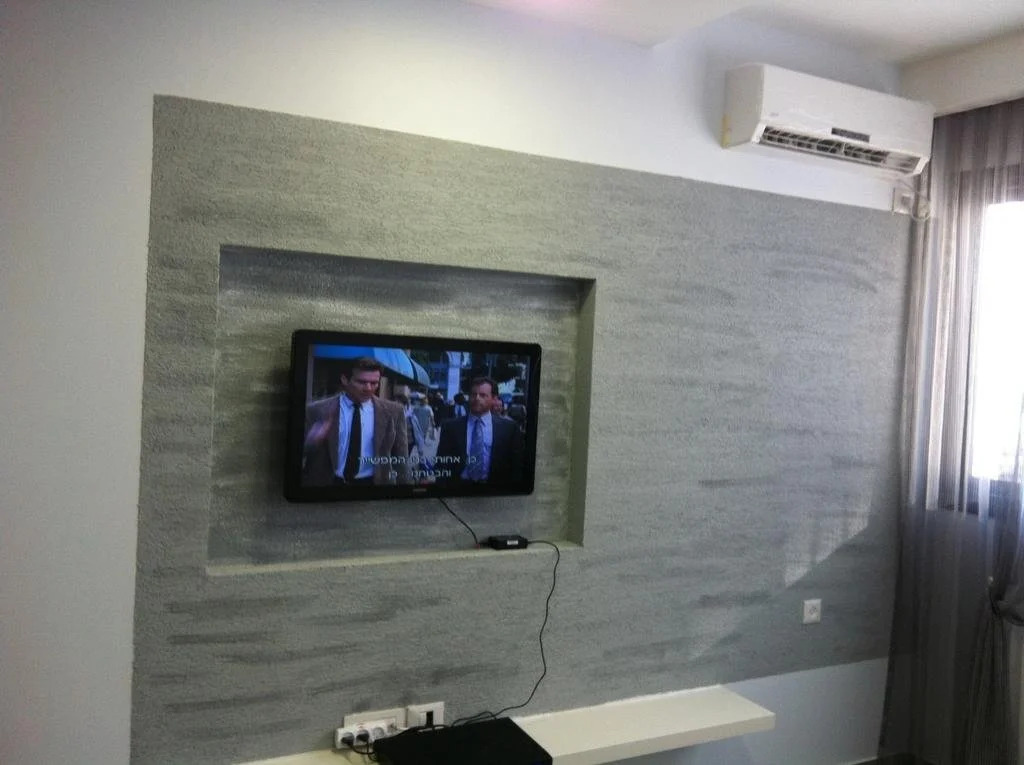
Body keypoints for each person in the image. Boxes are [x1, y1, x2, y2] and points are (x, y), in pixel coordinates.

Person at [302, 357, 410, 486]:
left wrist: (404, 489)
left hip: (374, 484)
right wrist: (311, 441)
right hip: (327, 484)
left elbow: (402, 458)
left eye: (374, 383)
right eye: (361, 382)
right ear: (345, 379)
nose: (368, 388)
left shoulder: (394, 411)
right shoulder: (316, 410)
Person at [436, 377, 524, 485]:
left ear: (494, 398)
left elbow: (516, 465)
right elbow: (442, 462)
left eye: (483, 395)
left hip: (495, 489)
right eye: (473, 394)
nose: (477, 398)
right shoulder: (451, 427)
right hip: (458, 487)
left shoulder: (509, 428)